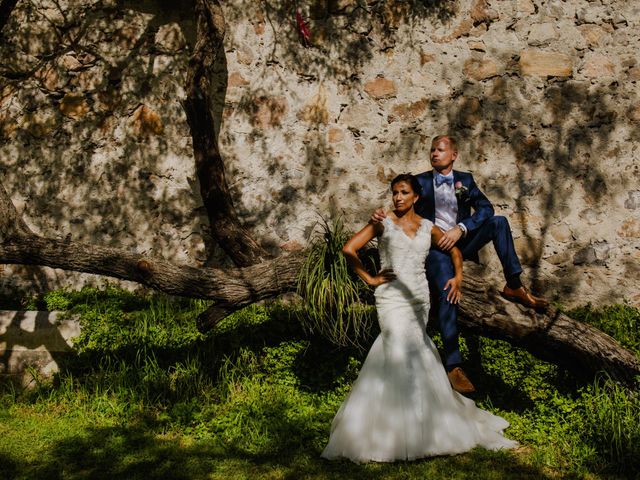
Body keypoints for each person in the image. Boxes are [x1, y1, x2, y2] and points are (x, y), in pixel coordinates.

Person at [321, 174, 518, 463]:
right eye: (395, 193)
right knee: (396, 349)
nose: (398, 198)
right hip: (390, 298)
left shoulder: (429, 227)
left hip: (419, 299)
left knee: (416, 352)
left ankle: (426, 426)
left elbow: (454, 251)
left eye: (404, 193)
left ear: (416, 197)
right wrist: (369, 278)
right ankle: (389, 429)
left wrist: (458, 278)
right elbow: (349, 248)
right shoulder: (382, 222)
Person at [372, 135, 548, 394]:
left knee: (498, 222)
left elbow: (486, 209)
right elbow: (401, 207)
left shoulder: (465, 181)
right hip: (434, 249)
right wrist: (380, 215)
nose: (434, 154)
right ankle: (453, 365)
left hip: (460, 240)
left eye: (440, 150)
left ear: (453, 154)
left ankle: (514, 286)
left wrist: (462, 228)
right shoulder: (419, 182)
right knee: (448, 289)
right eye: (432, 150)